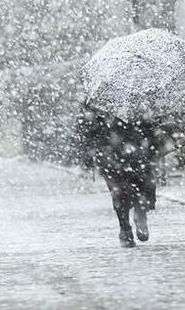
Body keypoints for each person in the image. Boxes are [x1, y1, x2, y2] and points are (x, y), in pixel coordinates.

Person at [74, 102, 178, 248]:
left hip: (135, 151)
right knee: (120, 191)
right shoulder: (96, 102)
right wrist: (87, 158)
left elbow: (156, 125)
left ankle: (138, 217)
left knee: (140, 187)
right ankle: (126, 227)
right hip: (113, 154)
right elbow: (87, 130)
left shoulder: (142, 97)